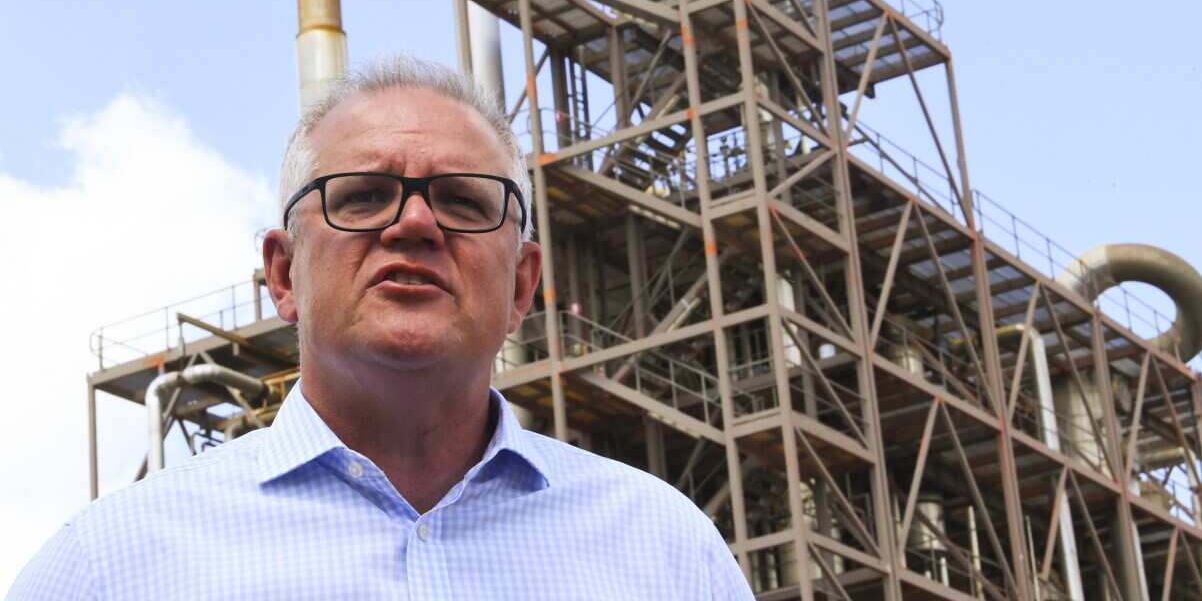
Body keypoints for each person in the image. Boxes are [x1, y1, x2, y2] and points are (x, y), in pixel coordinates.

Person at [8, 58, 755, 600]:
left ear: (523, 284)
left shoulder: (664, 552)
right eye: (363, 196)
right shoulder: (110, 567)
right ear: (282, 275)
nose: (415, 224)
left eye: (465, 201)